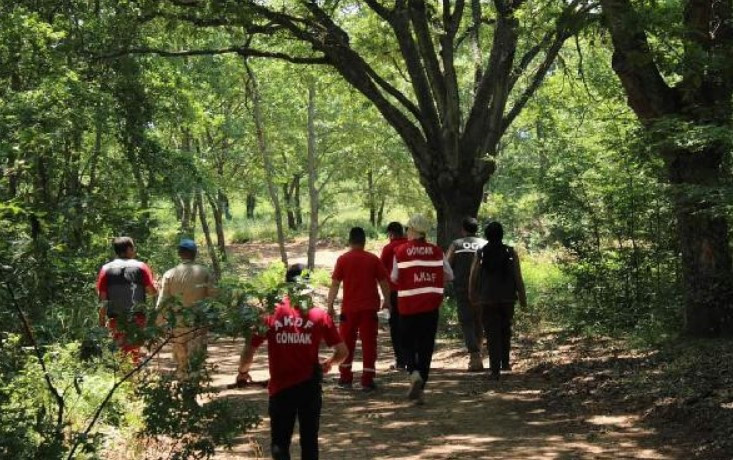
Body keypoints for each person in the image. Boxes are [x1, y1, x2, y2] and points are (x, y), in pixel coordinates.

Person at [236, 265, 348, 460]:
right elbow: (343, 352)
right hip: (310, 387)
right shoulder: (318, 315)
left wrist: (243, 372)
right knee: (309, 442)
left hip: (281, 389)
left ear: (286, 285)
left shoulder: (271, 314)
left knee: (280, 442)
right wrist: (330, 362)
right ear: (307, 285)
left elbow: (249, 349)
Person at [391, 214, 453, 404]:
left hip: (407, 306)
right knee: (426, 346)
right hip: (430, 307)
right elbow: (449, 275)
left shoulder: (400, 251)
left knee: (407, 343)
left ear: (412, 231)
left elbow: (394, 277)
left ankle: (413, 373)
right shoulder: (437, 251)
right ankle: (421, 386)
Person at [326, 227, 391, 391]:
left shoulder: (343, 259)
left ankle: (345, 378)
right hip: (369, 309)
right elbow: (384, 282)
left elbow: (335, 284)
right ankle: (367, 380)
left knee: (346, 342)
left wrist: (330, 305)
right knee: (369, 343)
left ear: (350, 241)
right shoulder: (373, 259)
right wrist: (387, 300)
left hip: (349, 309)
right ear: (364, 241)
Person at [469, 221, 527, 381]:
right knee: (505, 329)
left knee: (491, 332)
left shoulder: (480, 253)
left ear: (487, 235)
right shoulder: (510, 252)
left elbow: (473, 276)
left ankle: (495, 370)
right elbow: (518, 277)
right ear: (502, 235)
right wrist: (522, 298)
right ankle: (505, 363)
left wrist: (472, 295)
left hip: (487, 299)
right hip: (508, 298)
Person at [156, 239, 216, 378]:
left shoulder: (169, 274)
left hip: (177, 325)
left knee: (181, 362)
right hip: (198, 324)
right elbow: (214, 298)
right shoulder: (204, 272)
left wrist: (158, 324)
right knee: (196, 361)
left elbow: (163, 301)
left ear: (179, 253)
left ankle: (184, 391)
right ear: (195, 253)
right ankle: (192, 392)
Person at [96, 236, 158, 362]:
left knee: (120, 354)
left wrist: (101, 321)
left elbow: (102, 299)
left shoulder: (106, 269)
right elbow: (152, 292)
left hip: (115, 319)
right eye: (133, 247)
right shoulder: (141, 267)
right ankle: (132, 378)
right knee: (134, 352)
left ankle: (123, 378)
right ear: (129, 249)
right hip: (137, 318)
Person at [446, 217, 487, 372]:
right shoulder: (484, 244)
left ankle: (475, 355)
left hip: (462, 288)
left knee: (466, 321)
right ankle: (479, 354)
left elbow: (447, 265)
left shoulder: (456, 244)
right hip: (482, 289)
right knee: (479, 321)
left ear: (463, 229)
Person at [379, 221, 408, 370]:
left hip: (394, 293)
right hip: (411, 292)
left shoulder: (388, 248)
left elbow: (381, 273)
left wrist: (385, 297)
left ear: (390, 233)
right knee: (410, 324)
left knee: (396, 326)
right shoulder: (410, 246)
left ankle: (401, 360)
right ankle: (412, 356)